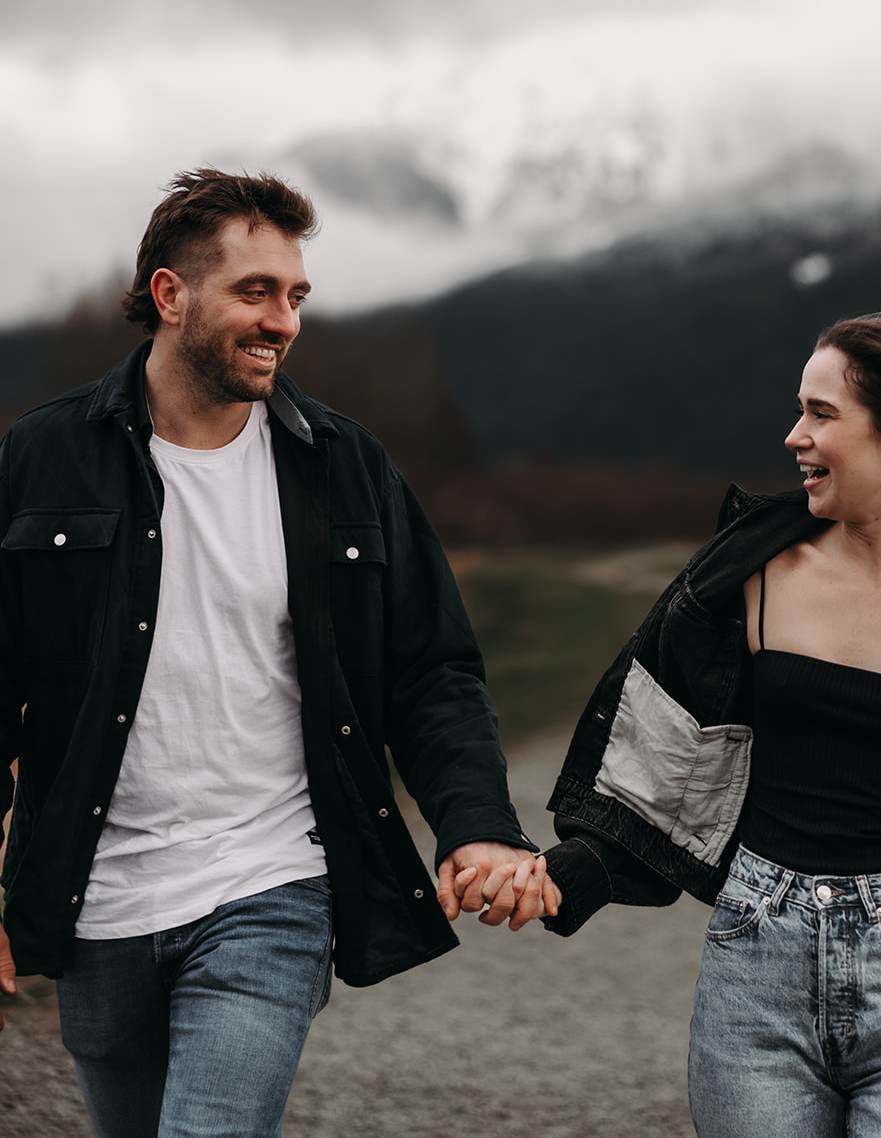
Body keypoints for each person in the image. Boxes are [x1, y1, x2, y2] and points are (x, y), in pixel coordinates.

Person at [0, 168, 556, 1138]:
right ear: (170, 295)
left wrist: (476, 823)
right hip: (99, 898)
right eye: (254, 290)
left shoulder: (342, 466)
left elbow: (431, 670)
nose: (282, 320)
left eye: (294, 294)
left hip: (270, 883)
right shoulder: (44, 460)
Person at [523, 312, 881, 1137]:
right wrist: (568, 872)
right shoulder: (748, 573)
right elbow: (665, 761)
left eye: (820, 413)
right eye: (797, 410)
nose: (793, 436)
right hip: (754, 972)